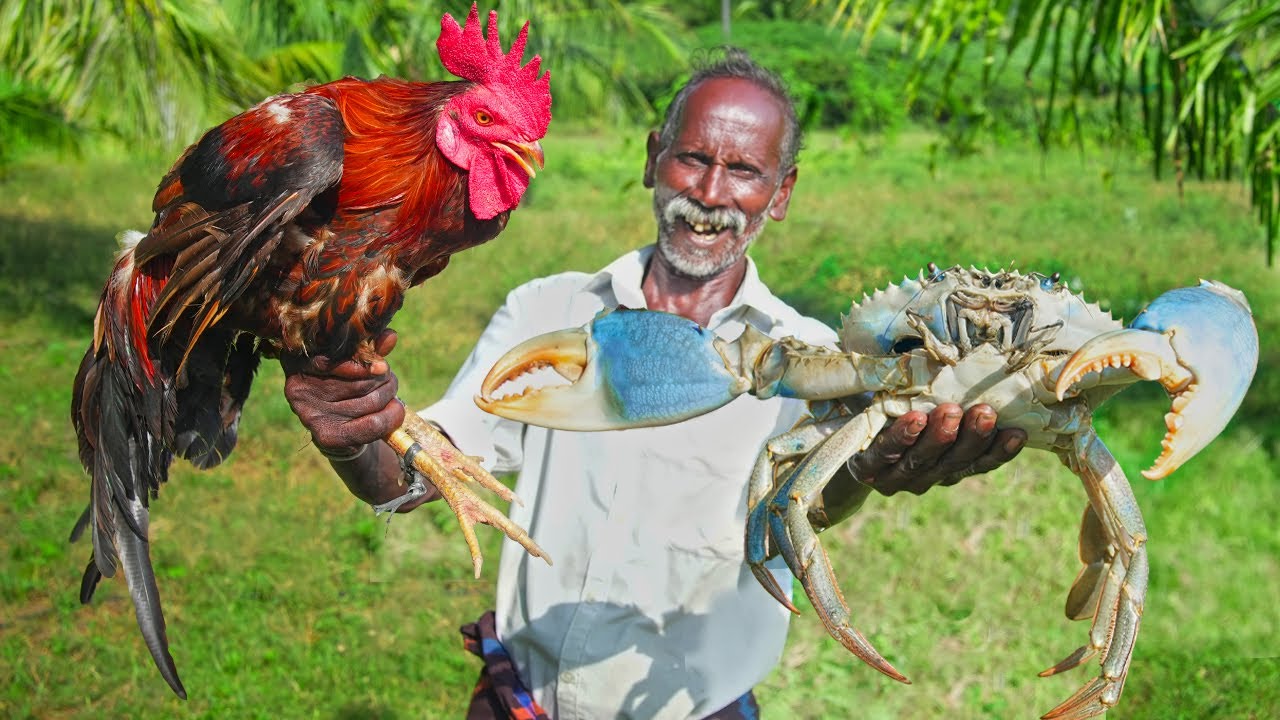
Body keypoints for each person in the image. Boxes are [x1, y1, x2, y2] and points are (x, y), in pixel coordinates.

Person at [284, 49, 1026, 720]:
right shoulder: (550, 310)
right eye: (692, 159)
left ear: (782, 192)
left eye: (745, 172)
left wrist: (875, 469)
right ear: (652, 159)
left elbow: (816, 506)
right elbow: (414, 478)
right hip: (520, 700)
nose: (710, 193)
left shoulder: (816, 363)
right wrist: (357, 437)